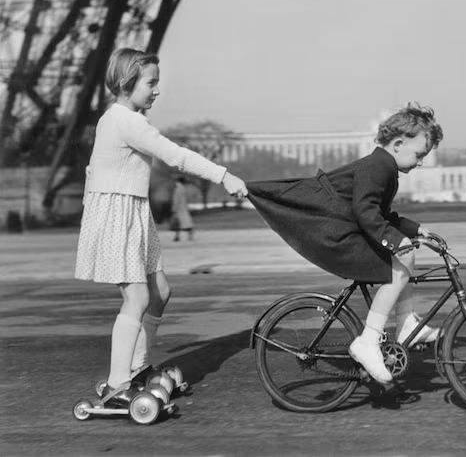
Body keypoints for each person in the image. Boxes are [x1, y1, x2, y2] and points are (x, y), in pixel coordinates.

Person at [74, 47, 248, 409]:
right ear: (127, 81)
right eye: (151, 82)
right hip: (117, 213)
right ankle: (118, 384)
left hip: (133, 210)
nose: (156, 90)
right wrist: (224, 175)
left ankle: (137, 368)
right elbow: (176, 156)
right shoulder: (126, 120)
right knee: (136, 298)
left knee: (161, 292)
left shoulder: (117, 117)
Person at [246, 103, 443, 385]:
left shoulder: (384, 166)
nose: (421, 162)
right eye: (420, 154)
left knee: (405, 257)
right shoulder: (379, 167)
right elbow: (367, 213)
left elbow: (382, 215)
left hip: (342, 232)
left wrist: (416, 230)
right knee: (401, 263)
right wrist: (397, 241)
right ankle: (370, 339)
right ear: (399, 144)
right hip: (336, 236)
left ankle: (405, 321)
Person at [170, 176, 194, 241]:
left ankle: (177, 236)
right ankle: (189, 236)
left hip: (179, 209)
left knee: (177, 223)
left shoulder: (178, 189)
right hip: (184, 208)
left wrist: (174, 208)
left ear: (178, 182)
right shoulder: (184, 189)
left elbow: (176, 200)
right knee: (186, 223)